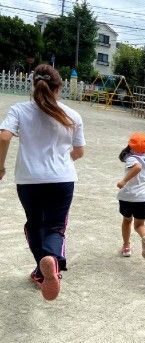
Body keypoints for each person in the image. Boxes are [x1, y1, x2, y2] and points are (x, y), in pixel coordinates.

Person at [0, 64, 85, 301]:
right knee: (56, 227)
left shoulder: (19, 110)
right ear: (59, 88)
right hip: (62, 179)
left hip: (28, 180)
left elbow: (4, 135)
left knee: (34, 225)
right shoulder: (72, 115)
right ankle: (50, 261)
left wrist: (0, 166)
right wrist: (62, 161)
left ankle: (42, 269)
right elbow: (79, 151)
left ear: (34, 85)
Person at [117, 132, 145, 259]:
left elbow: (137, 167)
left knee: (127, 221)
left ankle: (126, 246)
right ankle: (144, 237)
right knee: (139, 225)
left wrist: (124, 181)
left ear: (130, 146)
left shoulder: (131, 158)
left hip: (128, 197)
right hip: (143, 198)